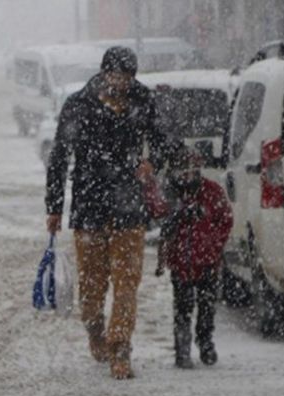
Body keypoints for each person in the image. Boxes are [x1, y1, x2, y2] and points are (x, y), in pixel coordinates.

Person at [46, 46, 174, 379]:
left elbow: (163, 140)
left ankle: (120, 348)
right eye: (116, 76)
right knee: (91, 288)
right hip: (89, 205)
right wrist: (54, 207)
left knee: (126, 282)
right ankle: (94, 329)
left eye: (128, 77)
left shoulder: (143, 100)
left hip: (129, 206)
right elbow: (59, 157)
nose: (122, 83)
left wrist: (153, 161)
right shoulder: (78, 104)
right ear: (104, 73)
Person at [155, 148, 233, 369]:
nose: (187, 176)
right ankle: (182, 348)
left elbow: (225, 220)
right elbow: (163, 224)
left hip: (208, 261)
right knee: (182, 307)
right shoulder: (172, 195)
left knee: (207, 305)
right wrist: (178, 215)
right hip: (180, 263)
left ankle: (205, 340)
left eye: (192, 171)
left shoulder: (212, 192)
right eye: (183, 172)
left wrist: (214, 246)